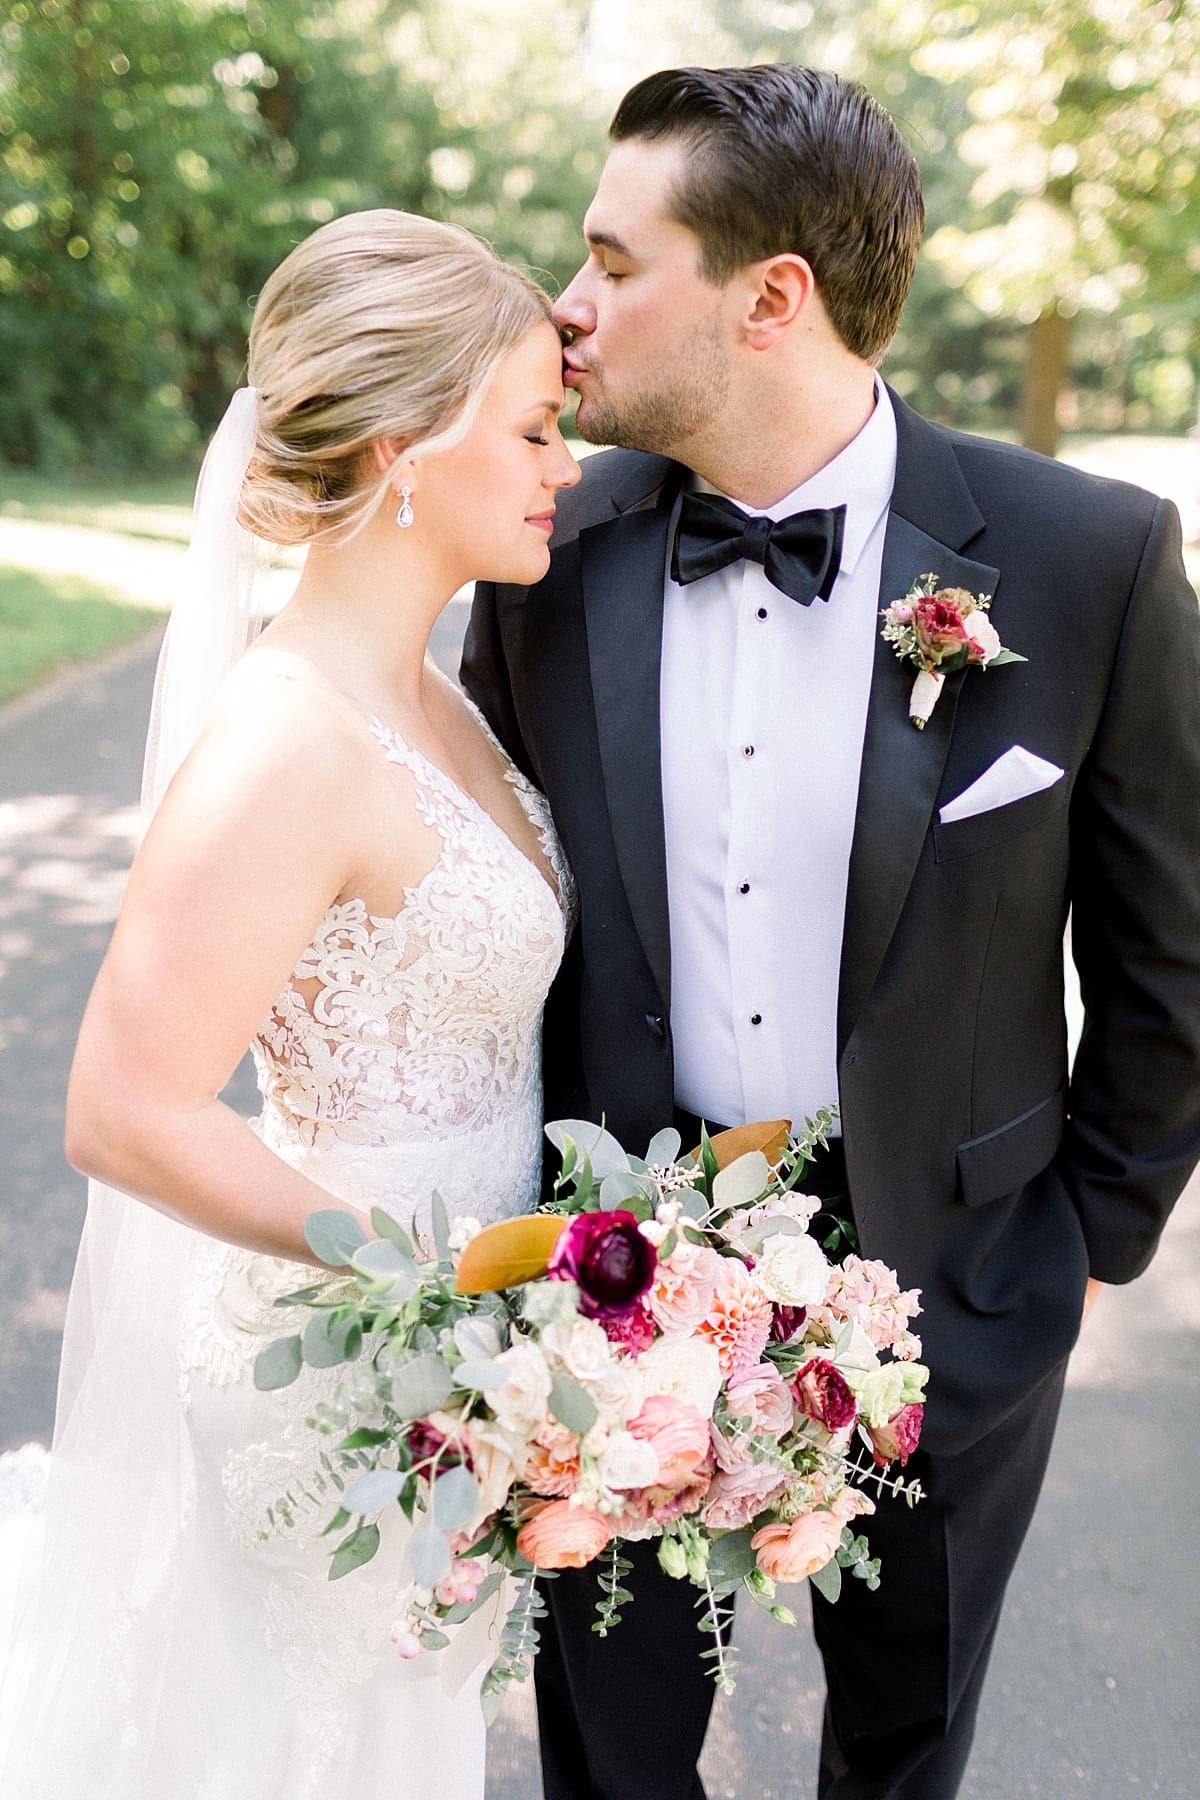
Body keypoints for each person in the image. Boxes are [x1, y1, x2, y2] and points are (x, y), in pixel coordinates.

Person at [462, 63, 1200, 1800]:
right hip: (609, 1285)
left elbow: (1174, 953)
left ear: (770, 297)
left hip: (955, 1283)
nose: (566, 309)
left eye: (612, 261)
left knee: (904, 1744)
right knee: (610, 1759)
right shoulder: (547, 555)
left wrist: (1080, 1241)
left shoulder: (1086, 557)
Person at [0, 208, 579, 1800]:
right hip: (338, 1363)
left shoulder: (435, 695)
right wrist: (427, 1273)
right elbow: (121, 1109)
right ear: (403, 447)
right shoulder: (289, 739)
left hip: (466, 1358)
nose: (563, 465)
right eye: (533, 427)